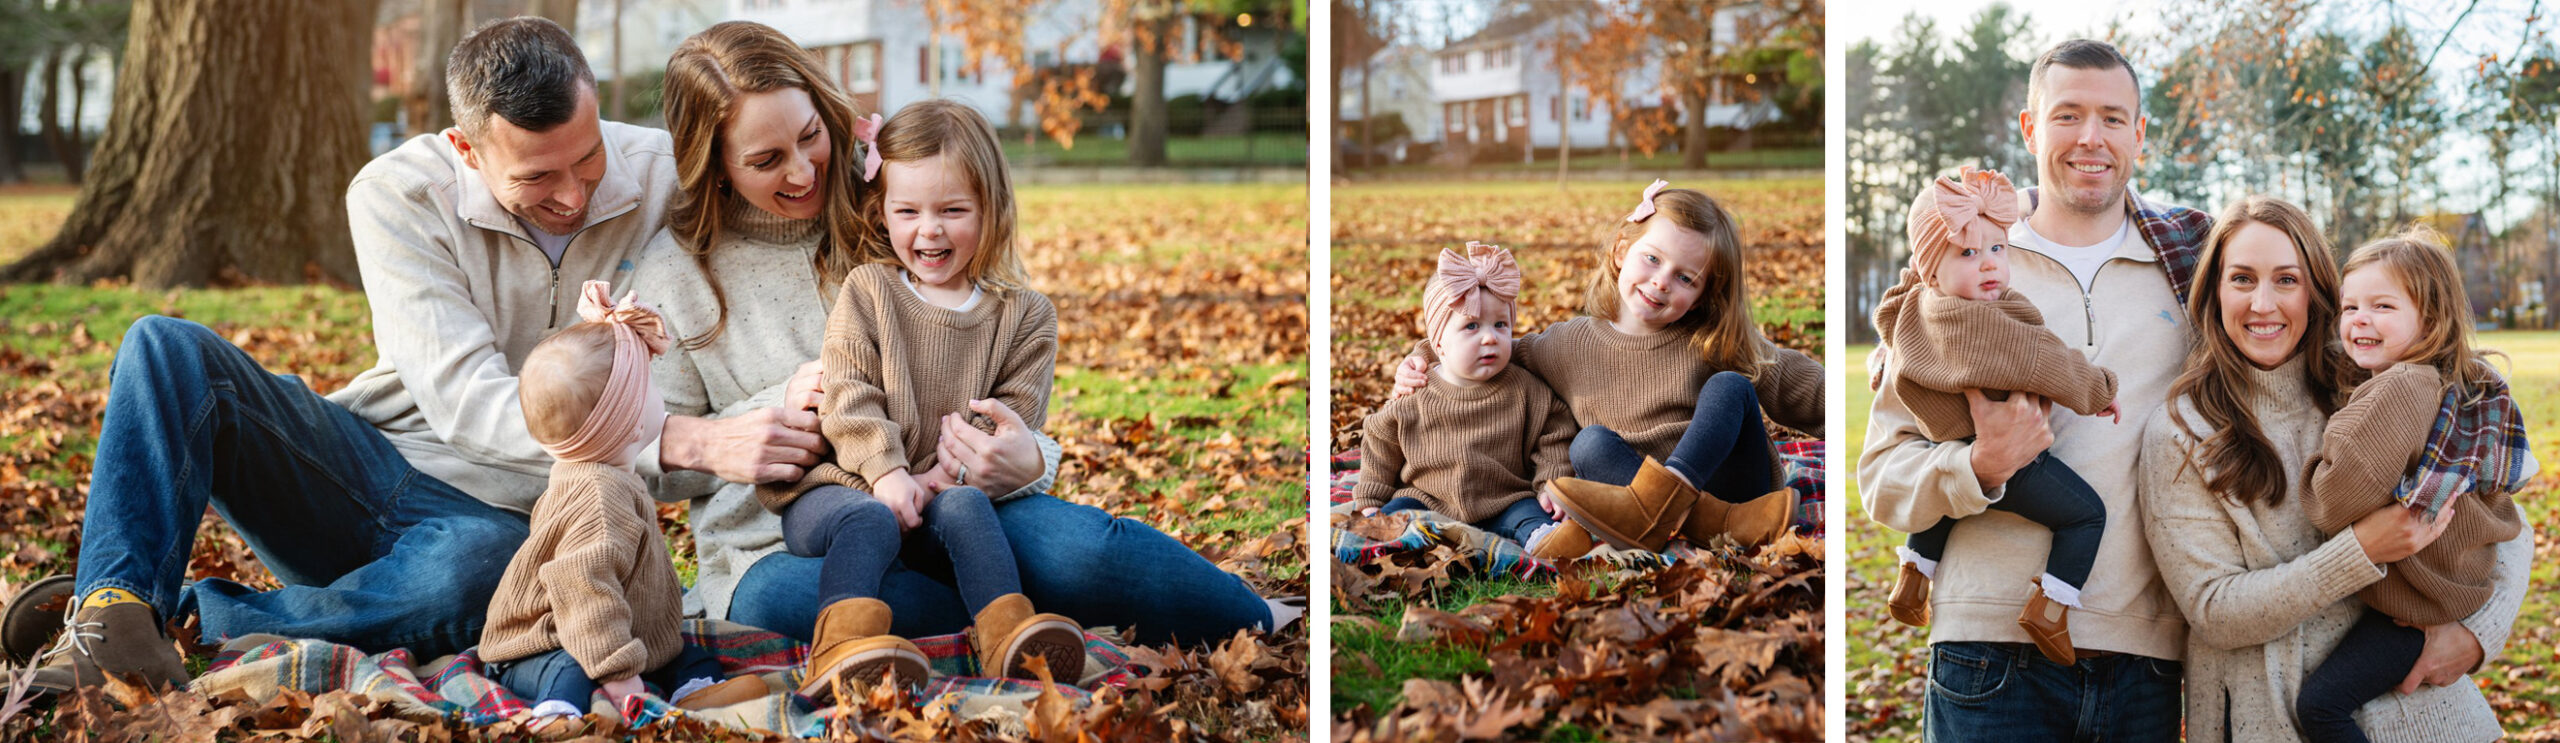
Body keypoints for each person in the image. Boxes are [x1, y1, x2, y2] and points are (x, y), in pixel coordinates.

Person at [632, 21, 1287, 651]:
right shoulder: (676, 274)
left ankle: (1256, 617)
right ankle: (1018, 620)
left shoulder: (890, 206)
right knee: (791, 602)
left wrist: (1032, 459)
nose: (804, 171)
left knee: (1083, 552)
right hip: (781, 538)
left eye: (810, 136)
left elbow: (995, 350)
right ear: (714, 164)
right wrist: (743, 429)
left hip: (948, 504)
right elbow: (641, 458)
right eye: (767, 159)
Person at [1857, 39, 2205, 739]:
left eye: (2112, 118)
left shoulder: (2191, 267)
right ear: (2029, 127)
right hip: (1987, 657)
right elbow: (1880, 477)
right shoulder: (1964, 266)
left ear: (2139, 134)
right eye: (2067, 114)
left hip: (2145, 659)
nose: (2090, 137)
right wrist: (1976, 466)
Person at [2139, 194, 2529, 741]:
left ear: (2317, 290)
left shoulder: (2377, 381)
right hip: (2268, 720)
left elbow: (2504, 519)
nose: (2263, 304)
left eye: (2287, 280)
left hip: (2425, 718)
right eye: (2243, 279)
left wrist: (2477, 634)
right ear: (2214, 291)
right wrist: (2361, 552)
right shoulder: (2184, 429)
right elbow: (2213, 608)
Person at [756, 98, 1088, 699]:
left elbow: (1012, 414)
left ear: (991, 210)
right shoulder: (869, 290)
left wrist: (945, 475)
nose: (928, 229)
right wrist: (886, 472)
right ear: (882, 213)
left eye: (953, 210)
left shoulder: (1025, 315)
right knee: (867, 519)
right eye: (907, 210)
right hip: (839, 489)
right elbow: (847, 393)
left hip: (943, 495)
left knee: (968, 509)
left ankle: (1007, 636)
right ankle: (842, 647)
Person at [1392, 181, 1824, 554]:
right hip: (1631, 494)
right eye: (1652, 259)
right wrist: (1424, 357)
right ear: (1621, 251)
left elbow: (1797, 383)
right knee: (1588, 446)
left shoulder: (1712, 340)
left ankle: (1691, 514)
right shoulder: (1570, 345)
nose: (1661, 281)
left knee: (1730, 387)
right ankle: (1691, 523)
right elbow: (1493, 347)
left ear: (1704, 294)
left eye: (1685, 278)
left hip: (1734, 492)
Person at [478, 282, 762, 726]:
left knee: (681, 649)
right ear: (629, 422)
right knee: (569, 669)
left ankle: (696, 690)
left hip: (619, 628)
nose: (659, 396)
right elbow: (582, 584)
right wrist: (615, 670)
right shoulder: (598, 493)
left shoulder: (605, 475)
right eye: (650, 386)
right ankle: (559, 716)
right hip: (542, 641)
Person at [1870, 166, 2117, 668]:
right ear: (1931, 270)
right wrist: (2098, 389)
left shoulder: (1919, 305)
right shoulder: (1986, 323)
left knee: (1949, 495)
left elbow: (1892, 312)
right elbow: (2043, 360)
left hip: (1953, 446)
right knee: (2087, 515)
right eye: (1968, 253)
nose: (1989, 267)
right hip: (2016, 459)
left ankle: (1915, 578)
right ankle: (2049, 607)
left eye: (1997, 249)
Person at [2292, 230, 2534, 742]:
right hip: (2455, 589)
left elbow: (2333, 502)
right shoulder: (2454, 385)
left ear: (2431, 317)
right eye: (2350, 305)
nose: (2359, 318)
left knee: (2320, 707)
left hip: (2416, 612)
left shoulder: (2400, 388)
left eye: (2383, 306)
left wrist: (2323, 451)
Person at [1348, 242, 1579, 558]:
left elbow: (1555, 434)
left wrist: (1550, 481)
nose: (1490, 337)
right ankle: (1393, 546)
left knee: (1530, 517)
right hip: (1427, 496)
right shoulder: (1417, 389)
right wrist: (1370, 501)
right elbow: (1380, 441)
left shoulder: (1526, 389)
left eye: (1500, 325)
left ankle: (1544, 540)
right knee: (1397, 516)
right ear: (1439, 342)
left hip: (1505, 497)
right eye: (1471, 326)